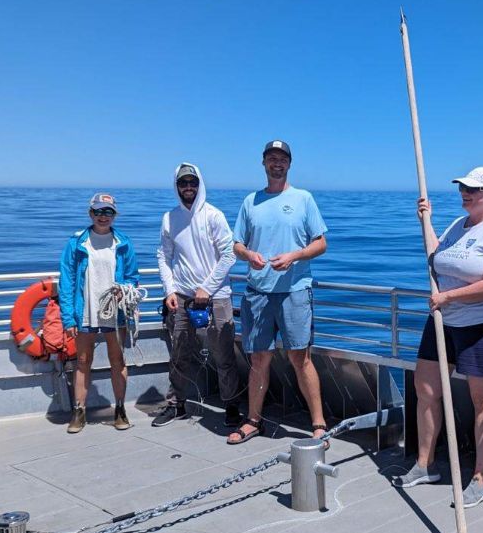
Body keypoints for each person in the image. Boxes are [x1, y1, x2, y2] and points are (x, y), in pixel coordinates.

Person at [394, 166, 483, 508]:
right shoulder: (457, 225)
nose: (465, 192)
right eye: (463, 187)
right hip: (442, 320)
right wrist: (427, 219)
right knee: (425, 389)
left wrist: (448, 298)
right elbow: (436, 255)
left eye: (473, 189)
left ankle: (480, 479)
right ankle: (425, 464)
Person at [227, 140, 328, 444]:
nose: (277, 163)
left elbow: (321, 243)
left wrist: (294, 256)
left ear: (289, 163)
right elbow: (236, 245)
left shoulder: (303, 199)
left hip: (295, 292)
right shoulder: (250, 202)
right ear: (263, 163)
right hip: (258, 292)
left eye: (282, 159)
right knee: (259, 360)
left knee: (301, 358)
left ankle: (319, 424)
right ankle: (254, 421)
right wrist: (249, 256)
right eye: (272, 158)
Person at [154, 163, 243, 427]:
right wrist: (169, 289)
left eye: (193, 182)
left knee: (224, 356)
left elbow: (230, 255)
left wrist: (207, 287)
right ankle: (176, 404)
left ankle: (231, 406)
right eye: (183, 183)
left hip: (216, 297)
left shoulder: (214, 216)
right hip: (181, 297)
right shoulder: (169, 218)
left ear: (200, 184)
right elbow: (163, 255)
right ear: (177, 186)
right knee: (180, 353)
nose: (188, 187)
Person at [58, 192, 141, 434]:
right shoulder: (76, 243)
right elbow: (67, 282)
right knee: (83, 361)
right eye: (98, 211)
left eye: (108, 212)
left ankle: (120, 409)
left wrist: (123, 291)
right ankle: (79, 410)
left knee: (118, 360)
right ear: (90, 213)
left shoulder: (123, 243)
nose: (102, 216)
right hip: (85, 311)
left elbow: (133, 278)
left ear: (115, 215)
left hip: (115, 315)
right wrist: (68, 317)